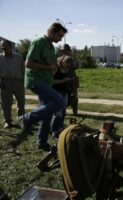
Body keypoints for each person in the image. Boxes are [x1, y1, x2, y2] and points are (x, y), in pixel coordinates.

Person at [19, 22, 67, 151]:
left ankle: (42, 142)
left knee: (47, 113)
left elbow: (51, 65)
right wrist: (48, 67)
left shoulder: (51, 47)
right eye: (60, 35)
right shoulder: (39, 41)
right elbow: (28, 63)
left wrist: (53, 67)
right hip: (36, 81)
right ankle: (26, 119)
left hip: (46, 82)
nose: (61, 39)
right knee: (60, 102)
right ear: (52, 32)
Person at [0, 40, 25, 129]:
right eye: (2, 46)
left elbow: (23, 70)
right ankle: (7, 121)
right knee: (5, 104)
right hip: (5, 83)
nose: (3, 47)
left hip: (18, 82)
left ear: (10, 46)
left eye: (5, 45)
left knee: (21, 102)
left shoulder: (18, 57)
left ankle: (21, 121)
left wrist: (23, 81)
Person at [51, 55, 72, 139]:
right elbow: (50, 80)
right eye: (66, 61)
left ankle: (60, 128)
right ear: (61, 60)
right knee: (57, 113)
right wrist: (62, 81)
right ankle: (53, 131)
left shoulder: (66, 69)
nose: (68, 64)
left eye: (69, 62)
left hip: (64, 92)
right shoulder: (56, 68)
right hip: (56, 92)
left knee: (63, 112)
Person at [60, 44, 79, 116]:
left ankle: (66, 112)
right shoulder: (68, 59)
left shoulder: (59, 59)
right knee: (72, 97)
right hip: (68, 80)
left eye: (64, 51)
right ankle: (73, 113)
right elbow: (76, 66)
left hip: (66, 80)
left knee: (67, 96)